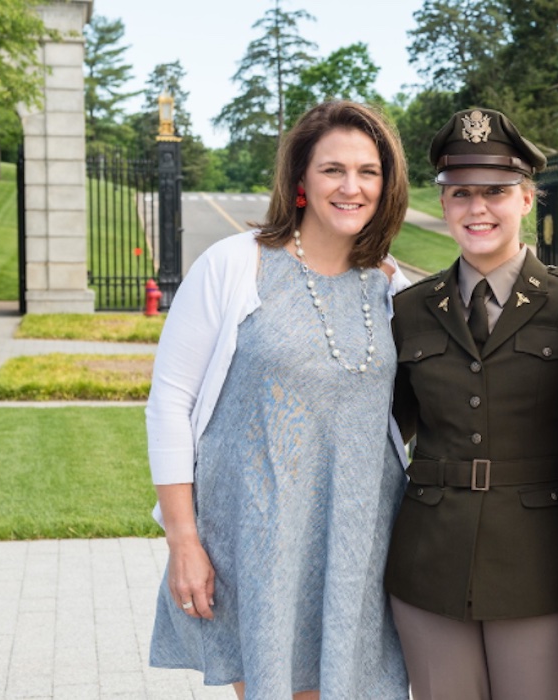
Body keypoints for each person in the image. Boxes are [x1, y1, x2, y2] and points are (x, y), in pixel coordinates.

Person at [145, 100, 412, 700]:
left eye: (368, 171)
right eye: (332, 170)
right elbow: (169, 403)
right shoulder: (237, 266)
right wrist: (183, 540)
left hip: (361, 542)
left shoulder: (394, 287)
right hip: (257, 539)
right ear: (300, 181)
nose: (352, 187)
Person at [384, 108, 558, 700]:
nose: (478, 209)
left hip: (539, 567)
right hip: (430, 564)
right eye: (461, 194)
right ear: (443, 203)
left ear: (528, 199)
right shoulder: (409, 310)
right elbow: (379, 429)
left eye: (496, 192)